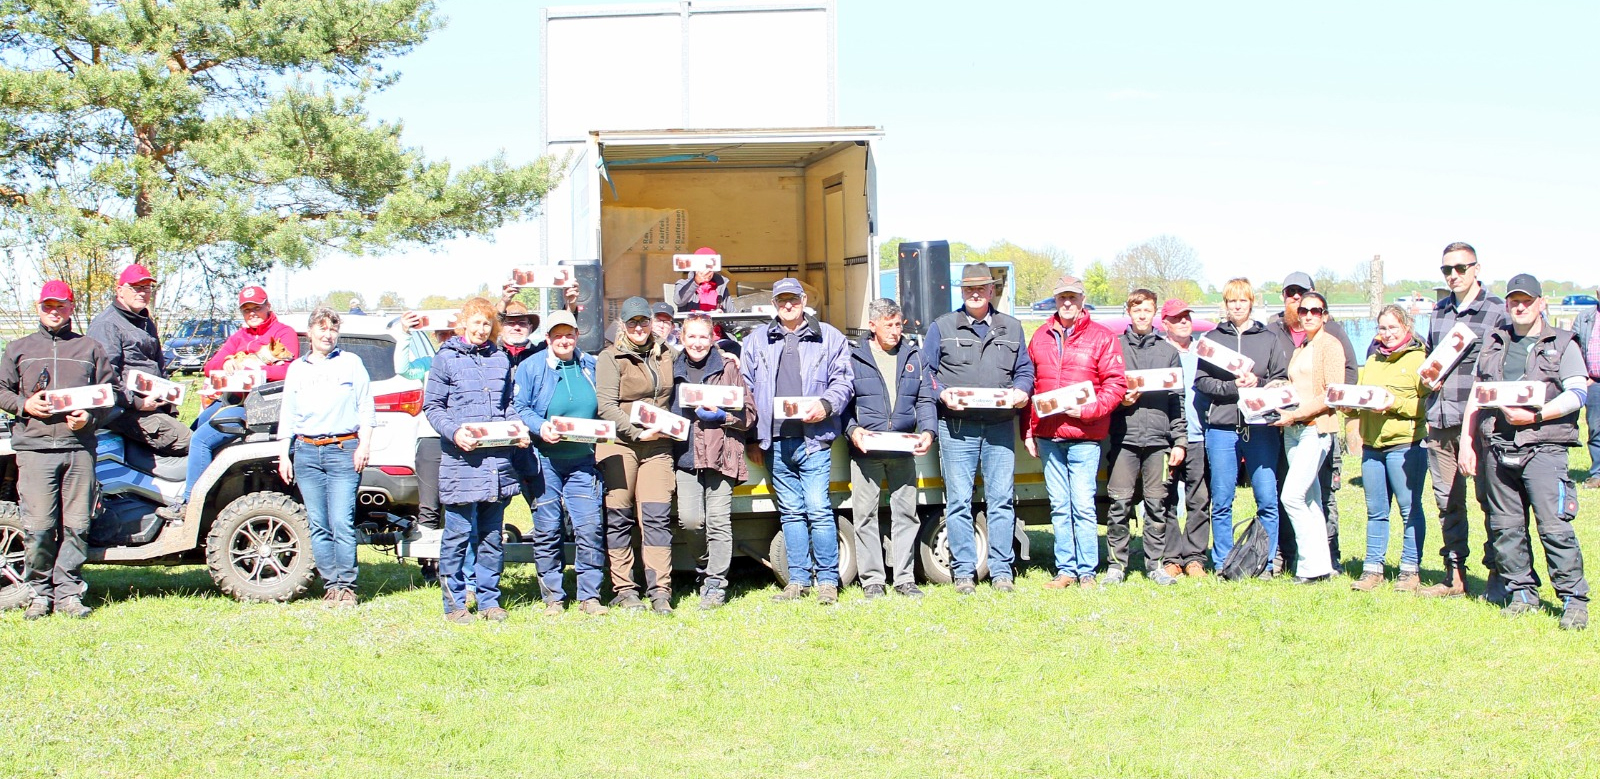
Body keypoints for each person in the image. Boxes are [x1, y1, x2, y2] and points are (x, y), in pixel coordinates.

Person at [1458, 273, 1589, 630]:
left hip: (1545, 445)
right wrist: (1468, 441)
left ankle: (1573, 599)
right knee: (1506, 526)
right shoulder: (1496, 341)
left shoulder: (1562, 342)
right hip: (1497, 445)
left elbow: (1578, 392)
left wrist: (1537, 415)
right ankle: (1522, 593)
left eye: (1526, 301)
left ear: (1540, 304)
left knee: (1554, 526)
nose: (1519, 307)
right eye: (1513, 301)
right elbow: (1479, 393)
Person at [0, 281, 113, 620]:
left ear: (71, 307)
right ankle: (38, 594)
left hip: (78, 449)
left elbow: (110, 396)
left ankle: (69, 594)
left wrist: (89, 418)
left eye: (60, 305)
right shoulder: (18, 348)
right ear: (39, 307)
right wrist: (24, 404)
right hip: (34, 450)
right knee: (39, 526)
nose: (54, 311)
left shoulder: (90, 348)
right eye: (48, 305)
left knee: (78, 525)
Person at [923, 263, 1034, 594]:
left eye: (981, 288)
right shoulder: (942, 327)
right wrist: (941, 393)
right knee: (958, 501)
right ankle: (963, 573)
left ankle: (1001, 571)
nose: (974, 293)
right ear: (961, 291)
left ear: (991, 291)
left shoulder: (1012, 328)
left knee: (1001, 500)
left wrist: (1022, 391)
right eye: (968, 288)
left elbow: (1025, 370)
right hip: (958, 428)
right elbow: (925, 373)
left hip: (1000, 428)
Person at [743, 278, 853, 604]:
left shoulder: (830, 337)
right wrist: (752, 438)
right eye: (781, 301)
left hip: (814, 439)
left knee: (818, 510)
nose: (787, 305)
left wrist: (826, 405)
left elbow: (844, 380)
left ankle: (828, 582)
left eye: (793, 299)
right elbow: (746, 392)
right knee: (790, 513)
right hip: (775, 440)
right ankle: (798, 580)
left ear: (804, 300)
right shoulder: (756, 341)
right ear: (774, 304)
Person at [424, 297, 529, 623]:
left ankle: (489, 601)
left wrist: (518, 428)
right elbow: (433, 407)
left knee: (491, 537)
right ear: (464, 324)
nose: (481, 329)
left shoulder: (499, 359)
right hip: (462, 462)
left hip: (496, 464)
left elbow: (507, 405)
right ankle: (454, 605)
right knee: (457, 535)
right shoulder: (446, 359)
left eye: (487, 324)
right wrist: (454, 432)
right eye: (476, 323)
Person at [158, 285, 299, 523]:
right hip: (236, 400)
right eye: (247, 309)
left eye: (257, 307)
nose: (252, 313)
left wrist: (259, 369)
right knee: (194, 429)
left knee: (201, 439)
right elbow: (209, 367)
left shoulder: (283, 333)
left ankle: (190, 503)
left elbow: (292, 369)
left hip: (263, 408)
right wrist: (228, 364)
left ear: (268, 307)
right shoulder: (240, 337)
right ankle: (188, 488)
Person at [1024, 275, 1125, 588]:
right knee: (1058, 506)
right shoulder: (1039, 336)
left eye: (1072, 297)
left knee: (1082, 506)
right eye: (1061, 298)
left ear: (1082, 300)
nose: (1067, 303)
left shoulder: (1102, 337)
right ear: (1055, 300)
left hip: (1084, 436)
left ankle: (1087, 572)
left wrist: (1089, 410)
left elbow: (1116, 384)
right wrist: (1029, 430)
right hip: (1048, 437)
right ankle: (1065, 569)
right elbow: (1031, 386)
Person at [1419, 242, 1506, 598]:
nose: (1453, 275)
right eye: (1446, 270)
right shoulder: (1439, 312)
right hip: (1440, 419)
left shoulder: (1497, 311)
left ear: (1476, 269)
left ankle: (1499, 575)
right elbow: (1428, 358)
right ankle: (1455, 575)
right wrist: (1427, 379)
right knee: (1447, 502)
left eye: (1460, 268)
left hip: (1483, 423)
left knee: (1491, 499)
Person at [274, 307, 374, 607]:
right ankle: (331, 586)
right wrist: (284, 455)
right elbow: (288, 414)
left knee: (341, 522)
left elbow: (366, 407)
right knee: (318, 523)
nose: (327, 334)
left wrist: (364, 445)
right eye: (322, 329)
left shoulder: (351, 363)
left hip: (343, 451)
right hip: (306, 452)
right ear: (309, 333)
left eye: (332, 329)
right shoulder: (297, 369)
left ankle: (347, 586)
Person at [514, 310, 609, 616]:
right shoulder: (531, 368)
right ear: (548, 338)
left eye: (569, 334)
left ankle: (589, 596)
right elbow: (519, 406)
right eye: (558, 335)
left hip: (582, 460)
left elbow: (606, 404)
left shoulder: (589, 366)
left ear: (577, 336)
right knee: (547, 528)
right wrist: (539, 426)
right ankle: (553, 596)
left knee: (589, 526)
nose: (564, 340)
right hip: (545, 460)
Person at [1264, 271, 1358, 572]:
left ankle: (1308, 565)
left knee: (1291, 496)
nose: (1306, 314)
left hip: (1315, 428)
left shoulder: (1330, 344)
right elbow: (1299, 385)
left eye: (1314, 310)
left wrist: (1297, 414)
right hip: (1294, 429)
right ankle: (1322, 565)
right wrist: (1278, 390)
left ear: (1325, 315)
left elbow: (1332, 393)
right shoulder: (1305, 346)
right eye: (1302, 310)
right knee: (1311, 499)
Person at [1195, 278, 1289, 576]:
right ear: (1225, 304)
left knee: (1266, 498)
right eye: (1231, 301)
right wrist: (1232, 387)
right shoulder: (1212, 338)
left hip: (1260, 427)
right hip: (1222, 427)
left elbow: (1281, 378)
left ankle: (1265, 562)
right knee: (1222, 500)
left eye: (1242, 300)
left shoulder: (1268, 338)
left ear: (1251, 303)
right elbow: (1202, 382)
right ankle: (1224, 561)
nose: (1237, 306)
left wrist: (1257, 383)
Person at [843, 299, 935, 600]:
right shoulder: (853, 356)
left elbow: (925, 399)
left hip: (903, 449)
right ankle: (872, 581)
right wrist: (852, 430)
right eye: (889, 325)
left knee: (906, 514)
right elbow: (843, 401)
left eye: (898, 324)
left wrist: (928, 432)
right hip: (866, 450)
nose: (896, 331)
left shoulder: (914, 355)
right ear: (873, 326)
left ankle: (904, 578)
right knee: (865, 515)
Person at [595, 296, 680, 615]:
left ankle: (660, 590)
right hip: (620, 444)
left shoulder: (668, 354)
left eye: (644, 321)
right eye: (632, 323)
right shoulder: (610, 357)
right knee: (619, 517)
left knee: (656, 517)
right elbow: (607, 407)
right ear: (623, 325)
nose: (639, 328)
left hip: (658, 447)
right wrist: (635, 431)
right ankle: (625, 589)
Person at [669, 313, 755, 610]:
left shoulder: (729, 366)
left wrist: (724, 417)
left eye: (703, 336)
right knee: (690, 521)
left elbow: (750, 416)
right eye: (691, 336)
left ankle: (715, 584)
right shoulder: (672, 366)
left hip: (722, 454)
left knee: (719, 522)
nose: (697, 342)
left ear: (712, 338)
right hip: (686, 456)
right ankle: (706, 567)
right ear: (681, 338)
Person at [1349, 305, 1431, 592]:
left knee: (1409, 510)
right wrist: (1350, 406)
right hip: (1372, 446)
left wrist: (1393, 403)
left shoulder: (1419, 359)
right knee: (1376, 511)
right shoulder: (1372, 359)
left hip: (1405, 447)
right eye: (1382, 328)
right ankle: (1373, 569)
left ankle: (1410, 570)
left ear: (1407, 327)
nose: (1387, 334)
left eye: (1393, 327)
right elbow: (1362, 393)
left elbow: (1426, 407)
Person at [1104, 289, 1183, 585]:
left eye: (1147, 310)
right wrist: (1121, 399)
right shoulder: (1116, 347)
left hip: (1159, 442)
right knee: (1119, 503)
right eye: (1136, 309)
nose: (1141, 315)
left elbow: (1178, 400)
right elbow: (1106, 391)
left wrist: (1180, 441)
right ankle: (1116, 564)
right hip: (1124, 438)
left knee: (1156, 504)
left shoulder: (1168, 351)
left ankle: (1156, 564)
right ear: (1128, 312)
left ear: (1154, 313)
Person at [88, 263, 189, 454]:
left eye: (146, 288)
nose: (142, 293)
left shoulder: (144, 321)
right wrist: (137, 402)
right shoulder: (107, 325)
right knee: (189, 441)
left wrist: (169, 397)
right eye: (135, 287)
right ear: (120, 290)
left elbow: (158, 364)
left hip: (152, 405)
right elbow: (106, 376)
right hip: (125, 411)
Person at [1157, 298, 1211, 579]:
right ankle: (1171, 557)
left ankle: (1195, 558)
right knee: (1165, 499)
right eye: (1177, 318)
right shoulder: (1158, 352)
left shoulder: (1204, 352)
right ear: (1164, 323)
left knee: (1199, 499)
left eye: (1187, 317)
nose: (1184, 322)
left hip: (1199, 436)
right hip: (1166, 438)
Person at [1573, 291, 1600, 489]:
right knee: (1596, 428)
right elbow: (1573, 347)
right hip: (1594, 383)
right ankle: (1598, 474)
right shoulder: (1585, 317)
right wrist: (1582, 374)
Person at [674, 246, 733, 314]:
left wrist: (721, 316)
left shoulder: (721, 286)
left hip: (715, 324)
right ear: (694, 266)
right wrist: (695, 282)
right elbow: (679, 301)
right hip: (692, 323)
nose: (706, 270)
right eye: (701, 265)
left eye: (709, 266)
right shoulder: (683, 284)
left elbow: (732, 315)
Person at [497, 299, 541, 370]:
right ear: (501, 327)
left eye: (522, 323)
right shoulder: (491, 352)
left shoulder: (539, 354)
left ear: (530, 328)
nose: (517, 327)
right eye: (510, 323)